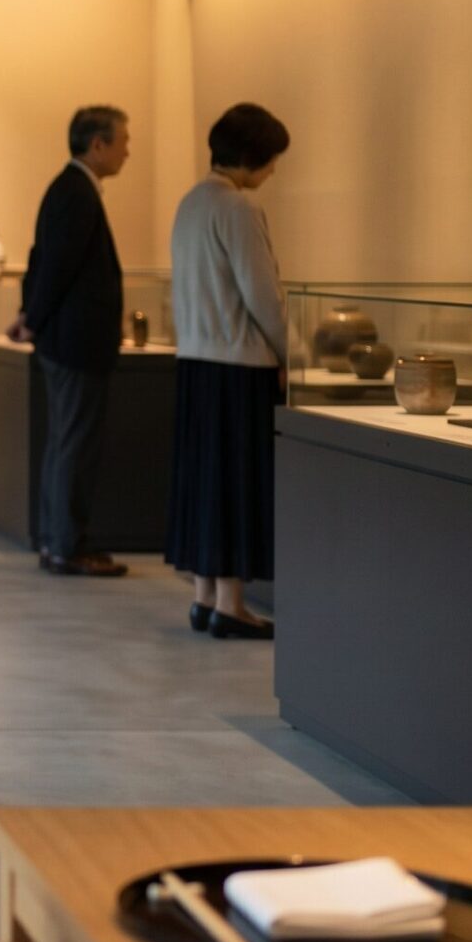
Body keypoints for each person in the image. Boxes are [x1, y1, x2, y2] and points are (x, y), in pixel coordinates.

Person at [166, 104, 293, 640]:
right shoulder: (239, 208)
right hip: (240, 364)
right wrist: (291, 354)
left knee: (205, 479)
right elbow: (262, 294)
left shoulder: (191, 202)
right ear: (251, 157)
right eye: (271, 161)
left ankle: (205, 596)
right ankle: (232, 605)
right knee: (237, 481)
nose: (273, 172)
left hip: (195, 361)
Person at [9, 105, 132, 577]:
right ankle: (66, 544)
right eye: (123, 140)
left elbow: (41, 261)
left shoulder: (69, 189)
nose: (128, 150)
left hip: (67, 341)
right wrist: (33, 318)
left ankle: (58, 540)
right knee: (73, 445)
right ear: (97, 144)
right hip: (76, 344)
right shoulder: (76, 193)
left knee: (65, 442)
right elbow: (54, 266)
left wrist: (29, 316)